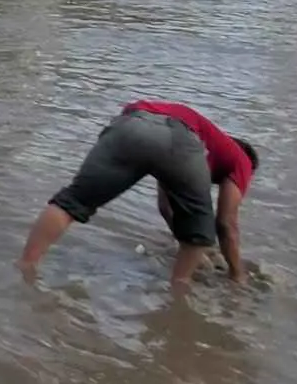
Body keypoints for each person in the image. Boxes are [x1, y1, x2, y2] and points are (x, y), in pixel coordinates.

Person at [19, 100, 257, 292]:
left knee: (71, 202)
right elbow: (226, 223)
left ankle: (25, 266)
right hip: (179, 137)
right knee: (200, 235)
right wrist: (237, 274)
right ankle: (178, 293)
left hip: (132, 120)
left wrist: (179, 235)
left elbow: (165, 207)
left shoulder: (208, 142)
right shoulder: (242, 159)